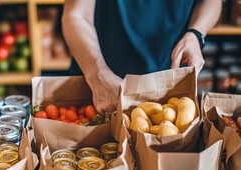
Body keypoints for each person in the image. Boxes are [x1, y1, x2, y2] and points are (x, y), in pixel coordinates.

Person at [62, 0, 222, 113]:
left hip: (166, 83)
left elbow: (212, 2)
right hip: (97, 87)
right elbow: (76, 15)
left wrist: (195, 34)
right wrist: (97, 75)